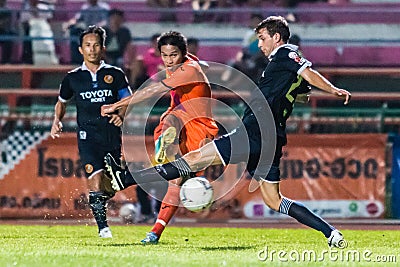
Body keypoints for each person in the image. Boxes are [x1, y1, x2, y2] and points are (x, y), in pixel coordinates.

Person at [103, 16, 351, 248]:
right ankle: (331, 233)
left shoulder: (286, 54)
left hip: (255, 132)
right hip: (272, 139)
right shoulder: (280, 68)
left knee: (190, 161)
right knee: (274, 200)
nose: (260, 44)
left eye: (262, 38)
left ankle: (124, 179)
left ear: (277, 38)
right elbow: (301, 89)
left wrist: (334, 90)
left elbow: (307, 72)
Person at [101, 31, 219, 244]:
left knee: (176, 180)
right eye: (164, 55)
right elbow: (200, 64)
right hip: (184, 119)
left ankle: (165, 143)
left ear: (183, 53)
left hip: (198, 129)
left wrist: (116, 105)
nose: (168, 60)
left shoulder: (187, 70)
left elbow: (152, 90)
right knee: (170, 121)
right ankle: (154, 232)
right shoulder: (190, 62)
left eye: (173, 55)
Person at [50, 25, 132, 238]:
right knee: (94, 179)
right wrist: (56, 121)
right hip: (87, 136)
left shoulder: (115, 74)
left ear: (103, 48)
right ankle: (103, 228)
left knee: (109, 185)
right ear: (80, 50)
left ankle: (109, 193)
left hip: (111, 134)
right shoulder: (72, 78)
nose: (92, 49)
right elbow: (61, 102)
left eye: (96, 45)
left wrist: (120, 114)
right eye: (88, 45)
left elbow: (128, 99)